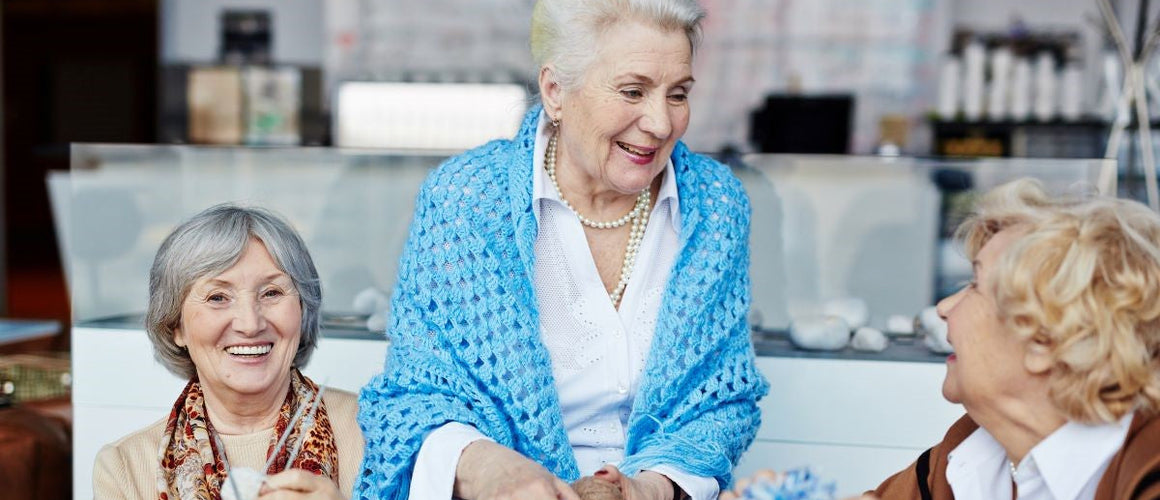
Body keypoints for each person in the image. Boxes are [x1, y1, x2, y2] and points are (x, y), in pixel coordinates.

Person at [354, 0, 768, 499]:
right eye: (633, 91)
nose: (661, 123)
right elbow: (413, 398)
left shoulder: (717, 206)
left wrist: (648, 490)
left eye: (677, 94)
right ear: (556, 91)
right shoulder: (465, 200)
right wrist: (490, 469)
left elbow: (723, 404)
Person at [723, 179, 1160, 500]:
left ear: (1046, 339)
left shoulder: (1146, 469)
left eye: (973, 284)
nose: (943, 308)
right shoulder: (971, 451)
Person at [93, 205, 365, 499]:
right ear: (176, 326)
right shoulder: (125, 469)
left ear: (302, 309)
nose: (250, 324)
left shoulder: (373, 434)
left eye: (272, 292)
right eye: (218, 297)